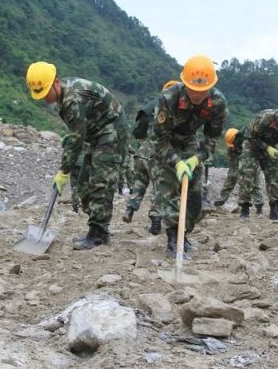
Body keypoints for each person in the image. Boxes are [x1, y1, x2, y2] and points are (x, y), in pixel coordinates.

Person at [26, 61, 129, 249]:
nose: (44, 97)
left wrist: (64, 171)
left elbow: (76, 139)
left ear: (56, 82)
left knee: (100, 182)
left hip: (112, 133)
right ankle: (98, 226)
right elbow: (77, 133)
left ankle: (98, 233)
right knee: (82, 184)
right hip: (96, 134)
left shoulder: (72, 99)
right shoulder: (65, 95)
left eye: (46, 91)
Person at [151, 55, 228, 257]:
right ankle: (173, 239)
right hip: (166, 141)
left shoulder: (218, 103)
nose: (196, 94)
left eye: (202, 91)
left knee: (194, 197)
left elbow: (211, 139)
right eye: (192, 89)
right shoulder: (169, 98)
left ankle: (184, 234)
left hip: (191, 141)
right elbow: (159, 139)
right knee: (168, 190)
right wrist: (176, 162)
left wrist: (196, 159)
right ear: (184, 83)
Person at [122, 80, 179, 234]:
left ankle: (130, 209)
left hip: (142, 154)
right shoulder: (178, 109)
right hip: (159, 156)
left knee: (139, 183)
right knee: (158, 188)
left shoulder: (149, 107)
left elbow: (137, 131)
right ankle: (155, 220)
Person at [214, 128, 264, 214]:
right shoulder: (232, 149)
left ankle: (259, 206)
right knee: (231, 179)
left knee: (254, 184)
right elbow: (233, 169)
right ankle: (221, 200)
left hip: (253, 163)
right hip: (240, 163)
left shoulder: (249, 144)